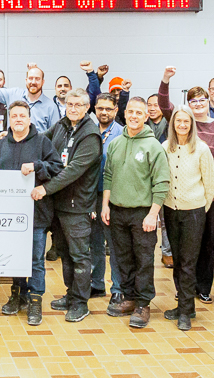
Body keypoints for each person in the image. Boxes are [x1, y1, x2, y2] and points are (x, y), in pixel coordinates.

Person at [101, 97, 171, 329]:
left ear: (145, 116)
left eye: (138, 113)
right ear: (125, 113)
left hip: (143, 213)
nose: (133, 116)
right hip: (118, 211)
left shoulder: (154, 147)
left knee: (143, 260)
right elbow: (108, 176)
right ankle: (129, 298)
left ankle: (143, 303)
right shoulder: (115, 143)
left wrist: (153, 214)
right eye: (130, 111)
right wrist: (105, 205)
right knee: (123, 259)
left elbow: (161, 183)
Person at [0, 101, 61, 326]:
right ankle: (18, 295)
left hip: (36, 214)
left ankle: (35, 299)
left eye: (23, 115)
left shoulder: (42, 142)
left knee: (35, 259)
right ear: (9, 120)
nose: (19, 119)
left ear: (30, 119)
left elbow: (57, 168)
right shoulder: (1, 145)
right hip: (9, 216)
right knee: (15, 258)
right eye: (15, 116)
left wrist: (37, 166)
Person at [41, 88, 102, 323]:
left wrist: (45, 188)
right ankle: (70, 294)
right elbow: (40, 138)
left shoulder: (90, 135)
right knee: (65, 254)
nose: (73, 108)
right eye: (69, 104)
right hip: (59, 204)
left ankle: (80, 303)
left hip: (78, 207)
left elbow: (73, 171)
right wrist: (16, 134)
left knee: (79, 256)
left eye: (78, 105)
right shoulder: (62, 125)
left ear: (87, 108)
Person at [160, 108, 214, 331]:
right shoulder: (165, 148)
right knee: (176, 260)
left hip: (194, 212)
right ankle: (186, 305)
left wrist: (200, 210)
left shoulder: (202, 149)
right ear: (172, 124)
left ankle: (185, 312)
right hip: (170, 210)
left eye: (186, 121)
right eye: (178, 121)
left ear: (192, 124)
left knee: (188, 263)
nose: (182, 124)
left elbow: (210, 186)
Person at [93, 93, 127, 301]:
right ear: (95, 109)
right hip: (90, 194)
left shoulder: (122, 135)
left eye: (108, 109)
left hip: (113, 198)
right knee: (94, 243)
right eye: (100, 108)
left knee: (114, 245)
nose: (104, 112)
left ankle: (118, 288)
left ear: (116, 110)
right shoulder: (88, 131)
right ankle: (96, 284)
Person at [0, 54, 63, 133]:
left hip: (38, 148)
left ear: (43, 82)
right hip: (13, 147)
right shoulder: (13, 95)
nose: (33, 82)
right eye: (30, 78)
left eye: (37, 79)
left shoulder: (51, 107)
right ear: (26, 80)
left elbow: (55, 135)